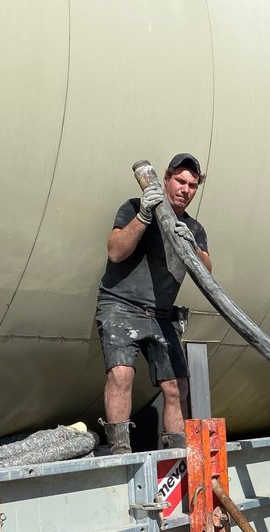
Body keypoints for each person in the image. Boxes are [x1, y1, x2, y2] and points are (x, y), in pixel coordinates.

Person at [95, 152, 212, 454]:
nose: (185, 189)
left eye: (192, 185)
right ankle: (120, 453)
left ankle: (175, 455)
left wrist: (193, 250)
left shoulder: (194, 229)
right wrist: (144, 217)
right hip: (121, 304)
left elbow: (207, 275)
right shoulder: (134, 208)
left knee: (176, 386)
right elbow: (115, 252)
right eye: (180, 181)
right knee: (121, 374)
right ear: (166, 179)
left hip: (161, 315)